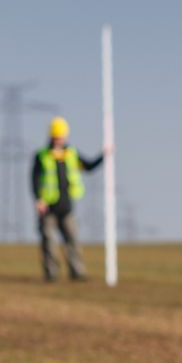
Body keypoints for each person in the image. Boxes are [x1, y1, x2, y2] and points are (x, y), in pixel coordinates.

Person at [30, 116, 104, 282]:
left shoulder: (72, 154)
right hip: (48, 206)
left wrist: (104, 155)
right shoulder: (42, 156)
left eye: (61, 136)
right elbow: (34, 180)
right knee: (48, 241)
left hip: (67, 206)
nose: (59, 139)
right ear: (51, 136)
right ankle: (51, 274)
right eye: (57, 136)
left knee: (73, 240)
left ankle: (77, 272)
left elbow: (89, 166)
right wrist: (38, 200)